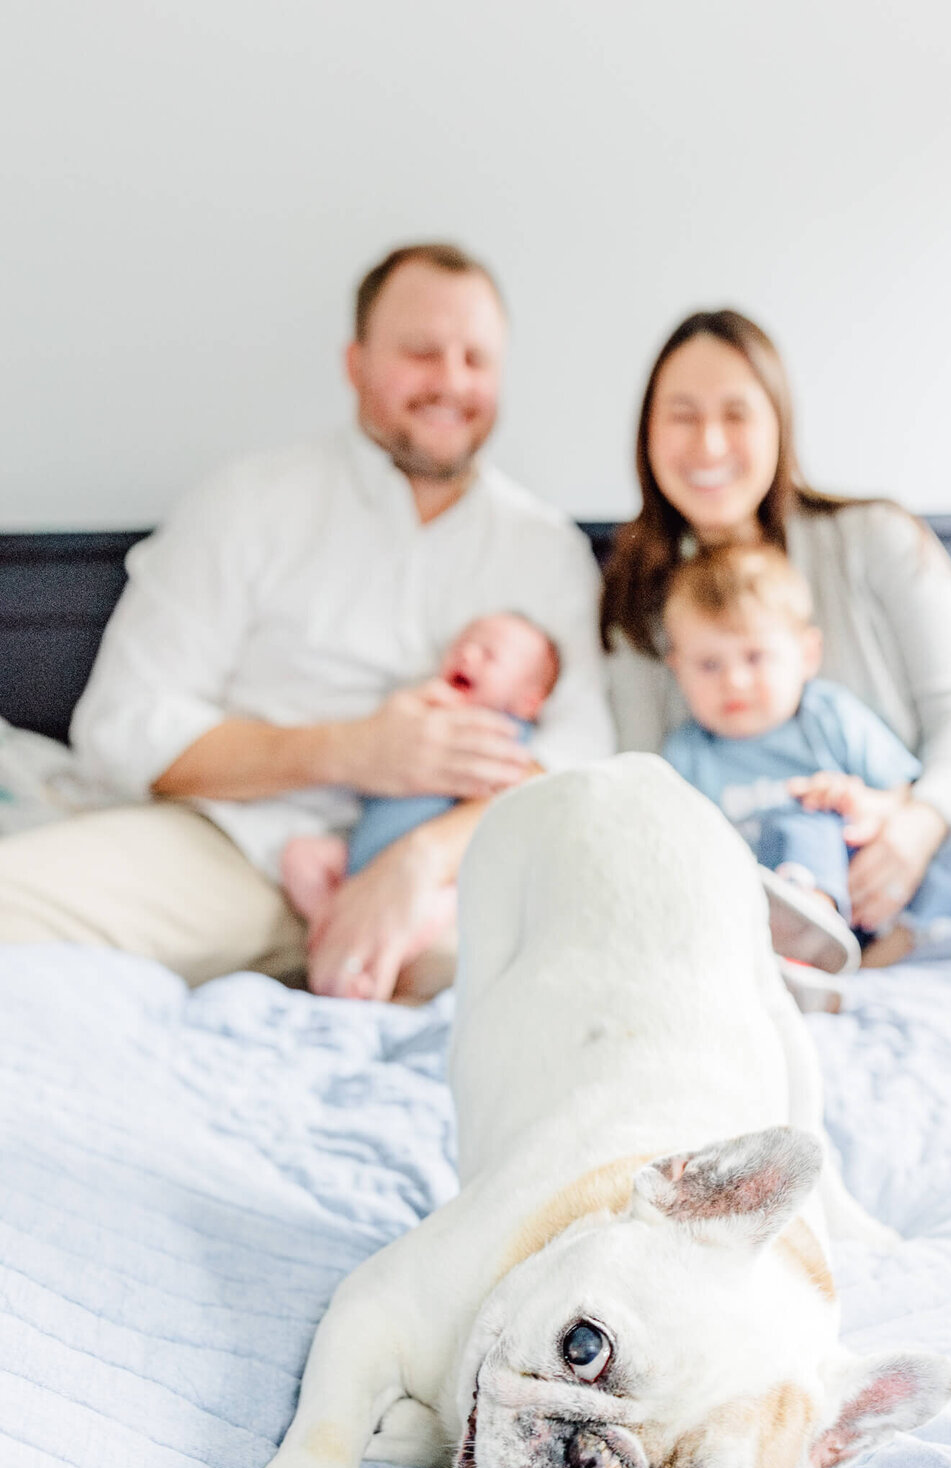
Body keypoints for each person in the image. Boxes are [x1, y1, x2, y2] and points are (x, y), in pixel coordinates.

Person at [0, 243, 614, 998]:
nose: (451, 381)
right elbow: (122, 725)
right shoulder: (248, 503)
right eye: (421, 352)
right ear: (356, 362)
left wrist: (417, 860)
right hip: (229, 850)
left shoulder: (546, 551)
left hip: (450, 879)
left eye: (476, 359)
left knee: (583, 990)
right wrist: (353, 751)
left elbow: (584, 757)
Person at [602, 309, 951, 967]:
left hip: (911, 854)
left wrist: (913, 828)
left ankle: (901, 937)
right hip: (754, 878)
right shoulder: (633, 599)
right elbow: (646, 792)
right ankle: (807, 943)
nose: (707, 443)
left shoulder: (878, 538)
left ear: (778, 425)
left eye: (736, 413)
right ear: (648, 433)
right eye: (681, 414)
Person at [659, 542, 921, 985]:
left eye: (755, 657)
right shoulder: (685, 755)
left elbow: (903, 797)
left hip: (854, 898)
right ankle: (789, 963)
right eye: (708, 665)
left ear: (807, 655)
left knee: (804, 822)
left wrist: (862, 803)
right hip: (739, 910)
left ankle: (813, 933)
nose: (734, 681)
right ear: (678, 669)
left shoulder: (831, 717)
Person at [281, 611, 559, 979]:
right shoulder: (413, 710)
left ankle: (372, 969)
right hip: (356, 859)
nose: (468, 656)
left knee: (439, 909)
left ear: (527, 702)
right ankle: (328, 920)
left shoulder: (501, 737)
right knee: (299, 856)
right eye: (462, 646)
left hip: (428, 881)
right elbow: (366, 770)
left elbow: (517, 792)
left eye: (488, 655)